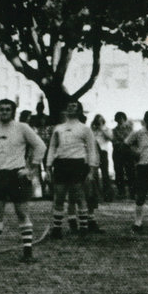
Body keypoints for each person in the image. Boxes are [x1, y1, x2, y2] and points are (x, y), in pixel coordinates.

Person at [0, 99, 47, 262]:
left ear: (13, 111)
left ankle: (27, 251)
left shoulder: (22, 128)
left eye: (7, 109)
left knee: (21, 212)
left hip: (17, 175)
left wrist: (31, 168)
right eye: (1, 109)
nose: (4, 112)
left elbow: (40, 146)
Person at [46, 101, 98, 239]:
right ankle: (57, 229)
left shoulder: (85, 129)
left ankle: (83, 229)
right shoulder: (59, 128)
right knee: (59, 196)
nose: (70, 107)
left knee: (79, 196)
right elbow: (52, 147)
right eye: (69, 105)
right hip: (61, 163)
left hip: (78, 164)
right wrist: (48, 166)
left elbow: (92, 149)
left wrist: (92, 170)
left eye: (74, 106)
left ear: (80, 110)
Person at [111, 112, 136, 199]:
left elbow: (133, 140)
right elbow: (114, 141)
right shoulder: (114, 130)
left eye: (121, 118)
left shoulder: (130, 129)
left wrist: (124, 142)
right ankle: (121, 192)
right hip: (118, 153)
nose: (120, 120)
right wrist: (124, 141)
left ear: (124, 119)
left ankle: (133, 192)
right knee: (119, 173)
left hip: (128, 153)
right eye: (118, 118)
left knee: (131, 172)